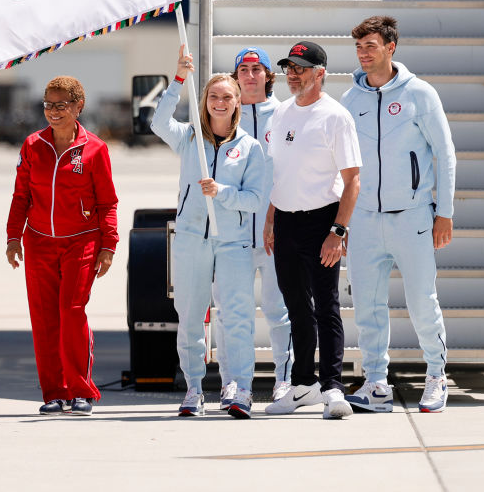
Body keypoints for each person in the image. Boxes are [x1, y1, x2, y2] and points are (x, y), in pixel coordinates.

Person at [340, 16, 456, 413]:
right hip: (365, 220)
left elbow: (445, 154)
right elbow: (343, 165)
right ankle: (375, 384)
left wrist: (445, 212)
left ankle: (437, 376)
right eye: (359, 47)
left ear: (391, 48)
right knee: (368, 307)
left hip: (413, 217)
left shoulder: (419, 94)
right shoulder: (350, 100)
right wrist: (343, 222)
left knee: (422, 301)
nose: (364, 54)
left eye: (371, 46)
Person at [150, 46, 267, 419]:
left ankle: (238, 388)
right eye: (214, 96)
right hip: (190, 239)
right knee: (190, 315)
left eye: (227, 97)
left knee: (236, 316)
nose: (220, 102)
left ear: (237, 102)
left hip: (232, 242)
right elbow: (157, 122)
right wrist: (179, 79)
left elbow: (254, 199)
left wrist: (223, 193)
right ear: (205, 101)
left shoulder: (249, 148)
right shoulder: (188, 139)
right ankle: (194, 388)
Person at [5, 76, 118, 416]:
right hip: (38, 242)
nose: (53, 112)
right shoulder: (32, 145)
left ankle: (81, 391)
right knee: (44, 319)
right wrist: (13, 237)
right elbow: (21, 195)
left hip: (81, 243)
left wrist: (108, 245)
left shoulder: (95, 148)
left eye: (61, 105)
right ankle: (55, 392)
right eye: (48, 105)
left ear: (78, 106)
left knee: (71, 313)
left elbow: (107, 203)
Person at [263, 41, 361, 420]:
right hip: (286, 220)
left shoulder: (335, 117)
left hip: (323, 220)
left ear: (320, 73)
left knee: (326, 306)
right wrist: (272, 219)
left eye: (301, 68)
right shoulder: (282, 113)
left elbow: (352, 181)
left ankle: (333, 387)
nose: (292, 73)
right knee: (296, 308)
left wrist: (338, 231)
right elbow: (280, 172)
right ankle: (303, 386)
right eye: (289, 67)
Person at [212, 47, 293, 409]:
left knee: (280, 311)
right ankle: (231, 383)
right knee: (232, 314)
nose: (249, 75)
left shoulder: (285, 114)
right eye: (242, 70)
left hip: (279, 234)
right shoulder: (226, 116)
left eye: (256, 69)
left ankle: (284, 381)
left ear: (267, 75)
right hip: (234, 236)